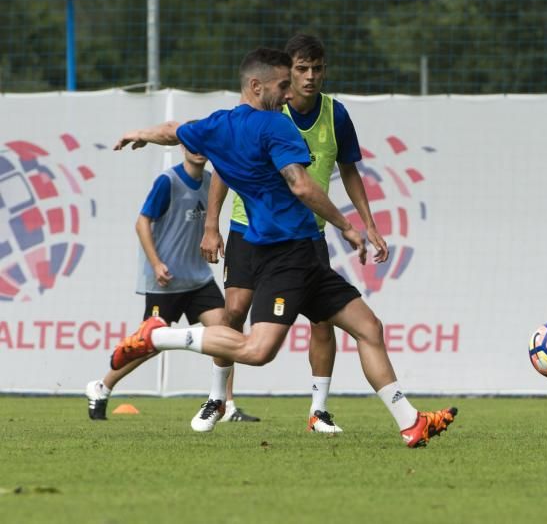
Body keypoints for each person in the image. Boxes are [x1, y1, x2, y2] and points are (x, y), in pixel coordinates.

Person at [109, 48, 456, 448]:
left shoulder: (217, 125)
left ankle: (411, 421)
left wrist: (140, 134)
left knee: (368, 328)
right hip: (285, 255)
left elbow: (172, 130)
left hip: (306, 254)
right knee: (258, 351)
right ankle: (157, 337)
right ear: (256, 87)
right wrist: (348, 227)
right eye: (283, 84)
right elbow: (301, 184)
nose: (290, 92)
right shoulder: (276, 127)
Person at [199, 33, 388, 434]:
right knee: (234, 312)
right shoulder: (268, 108)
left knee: (324, 321)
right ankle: (218, 397)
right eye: (301, 69)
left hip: (306, 233)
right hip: (248, 230)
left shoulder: (335, 115)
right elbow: (224, 168)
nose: (309, 77)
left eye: (317, 69)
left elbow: (350, 169)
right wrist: (211, 225)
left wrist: (367, 223)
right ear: (288, 72)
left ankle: (318, 410)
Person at [85, 145, 259, 426]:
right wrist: (155, 263)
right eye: (192, 145)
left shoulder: (211, 181)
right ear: (181, 147)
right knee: (148, 345)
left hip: (199, 279)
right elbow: (142, 223)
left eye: (204, 145)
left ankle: (226, 405)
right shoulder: (168, 181)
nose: (199, 151)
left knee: (225, 334)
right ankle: (101, 387)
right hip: (165, 281)